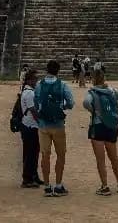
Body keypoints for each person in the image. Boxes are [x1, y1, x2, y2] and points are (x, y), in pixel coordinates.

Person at [84, 68, 118, 196]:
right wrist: (115, 109)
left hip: (98, 126)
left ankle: (105, 186)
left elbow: (86, 103)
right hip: (111, 126)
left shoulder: (92, 92)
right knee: (114, 157)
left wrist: (94, 111)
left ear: (93, 79)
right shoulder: (112, 91)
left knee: (101, 160)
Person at [35, 60, 75, 197]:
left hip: (43, 125)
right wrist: (62, 106)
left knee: (45, 155)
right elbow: (71, 103)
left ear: (47, 70)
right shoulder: (62, 85)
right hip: (58, 124)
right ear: (58, 70)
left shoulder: (39, 85)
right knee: (61, 155)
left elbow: (36, 102)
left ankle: (46, 186)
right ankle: (58, 185)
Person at [19, 70, 43, 188]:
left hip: (31, 126)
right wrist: (42, 122)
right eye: (35, 79)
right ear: (29, 80)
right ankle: (27, 178)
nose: (36, 82)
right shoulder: (29, 93)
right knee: (30, 153)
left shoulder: (29, 91)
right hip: (30, 126)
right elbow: (33, 111)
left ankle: (33, 175)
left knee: (34, 152)